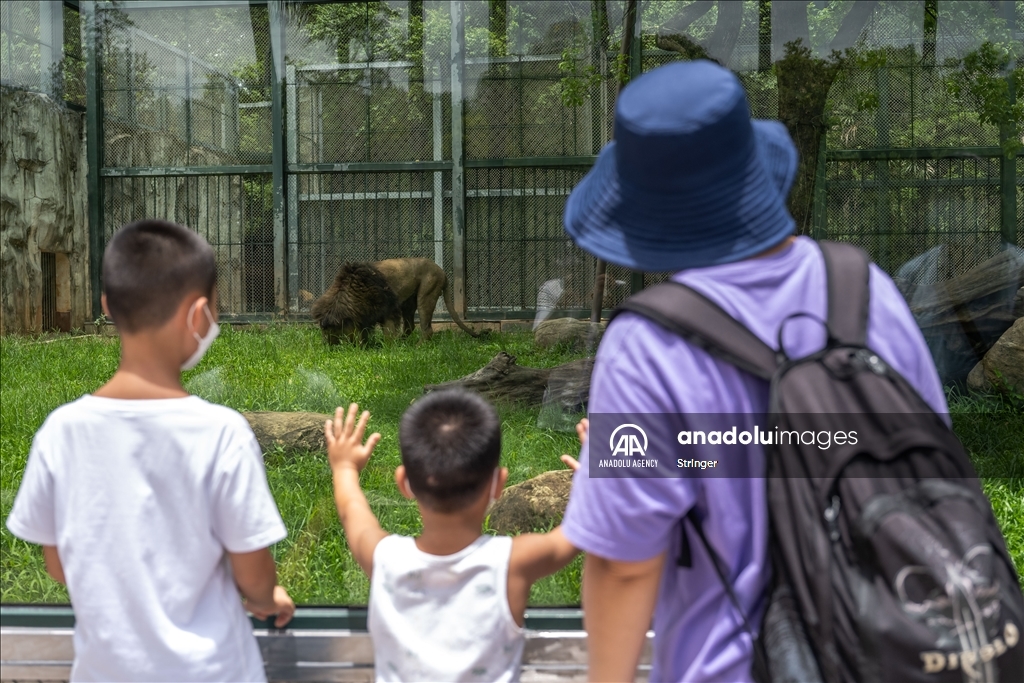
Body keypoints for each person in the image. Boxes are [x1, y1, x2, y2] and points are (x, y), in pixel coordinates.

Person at [559, 60, 947, 681]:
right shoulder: (866, 288)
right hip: (900, 652)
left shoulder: (645, 344)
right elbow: (929, 455)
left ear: (648, 213)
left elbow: (626, 563)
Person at [5, 219, 295, 682]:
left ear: (107, 306)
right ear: (199, 316)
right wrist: (265, 598)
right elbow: (254, 573)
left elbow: (58, 565)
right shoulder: (223, 433)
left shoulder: (61, 431)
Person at [324, 391, 582, 682]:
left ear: (403, 483)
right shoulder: (515, 562)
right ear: (498, 485)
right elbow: (578, 530)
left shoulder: (383, 558)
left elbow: (351, 511)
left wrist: (344, 467)